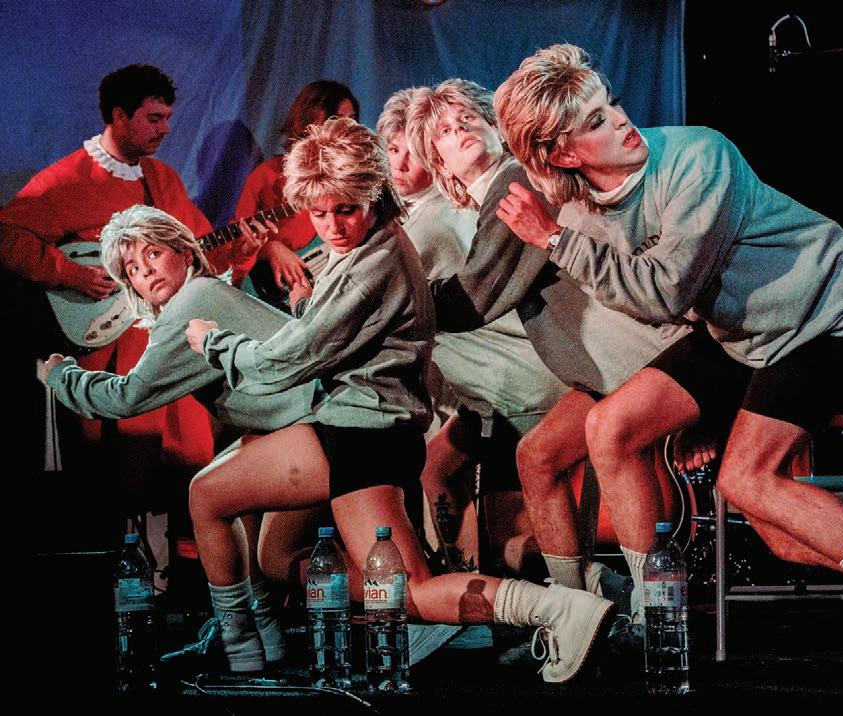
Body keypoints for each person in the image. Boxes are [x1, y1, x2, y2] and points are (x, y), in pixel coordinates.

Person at [492, 43, 843, 686]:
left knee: (749, 483)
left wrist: (551, 239)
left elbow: (663, 291)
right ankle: (654, 622)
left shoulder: (698, 157)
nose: (621, 120)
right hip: (740, 330)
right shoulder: (579, 210)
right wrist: (696, 410)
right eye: (596, 120)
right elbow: (655, 310)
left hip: (824, 306)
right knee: (612, 428)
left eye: (611, 103)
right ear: (564, 154)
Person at [183, 117, 614, 681]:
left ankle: (242, 649)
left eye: (345, 210)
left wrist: (212, 341)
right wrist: (304, 308)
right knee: (300, 556)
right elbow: (330, 335)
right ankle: (556, 608)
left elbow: (289, 360)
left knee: (213, 497)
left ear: (373, 194)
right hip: (363, 428)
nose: (332, 226)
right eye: (319, 214)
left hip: (360, 433)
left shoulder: (373, 261)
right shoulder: (371, 243)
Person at [405, 79, 692, 602]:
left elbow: (475, 297)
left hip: (637, 352)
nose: (461, 128)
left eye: (469, 117)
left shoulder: (516, 182)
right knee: (536, 458)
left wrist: (393, 299)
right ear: (440, 164)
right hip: (603, 366)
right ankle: (578, 603)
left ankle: (633, 605)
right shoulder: (499, 193)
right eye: (445, 131)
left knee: (561, 457)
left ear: (495, 127)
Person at [37, 204, 296, 669]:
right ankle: (263, 639)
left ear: (184, 251)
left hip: (316, 422)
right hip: (292, 423)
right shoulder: (197, 296)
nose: (146, 272)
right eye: (133, 269)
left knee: (207, 494)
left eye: (153, 254)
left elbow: (128, 397)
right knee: (240, 502)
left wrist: (60, 375)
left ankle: (239, 646)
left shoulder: (193, 301)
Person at [0, 64, 255, 528]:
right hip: (108, 350)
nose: (165, 129)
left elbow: (198, 254)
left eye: (167, 118)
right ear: (119, 116)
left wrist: (242, 249)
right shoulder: (68, 178)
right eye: (154, 118)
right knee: (115, 474)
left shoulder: (164, 179)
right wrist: (71, 274)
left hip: (168, 347)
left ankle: (184, 563)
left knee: (188, 464)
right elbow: (8, 236)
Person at [377, 88, 569, 578]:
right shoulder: (458, 203)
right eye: (391, 150)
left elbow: (470, 299)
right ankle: (471, 583)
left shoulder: (471, 201)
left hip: (517, 380)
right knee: (437, 469)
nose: (398, 163)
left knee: (516, 528)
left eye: (466, 119)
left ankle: (572, 591)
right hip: (489, 386)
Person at [231, 80, 359, 307]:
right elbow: (237, 254)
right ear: (309, 124)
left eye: (352, 121)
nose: (347, 131)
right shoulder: (267, 176)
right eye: (338, 120)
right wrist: (268, 249)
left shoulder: (359, 179)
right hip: (273, 299)